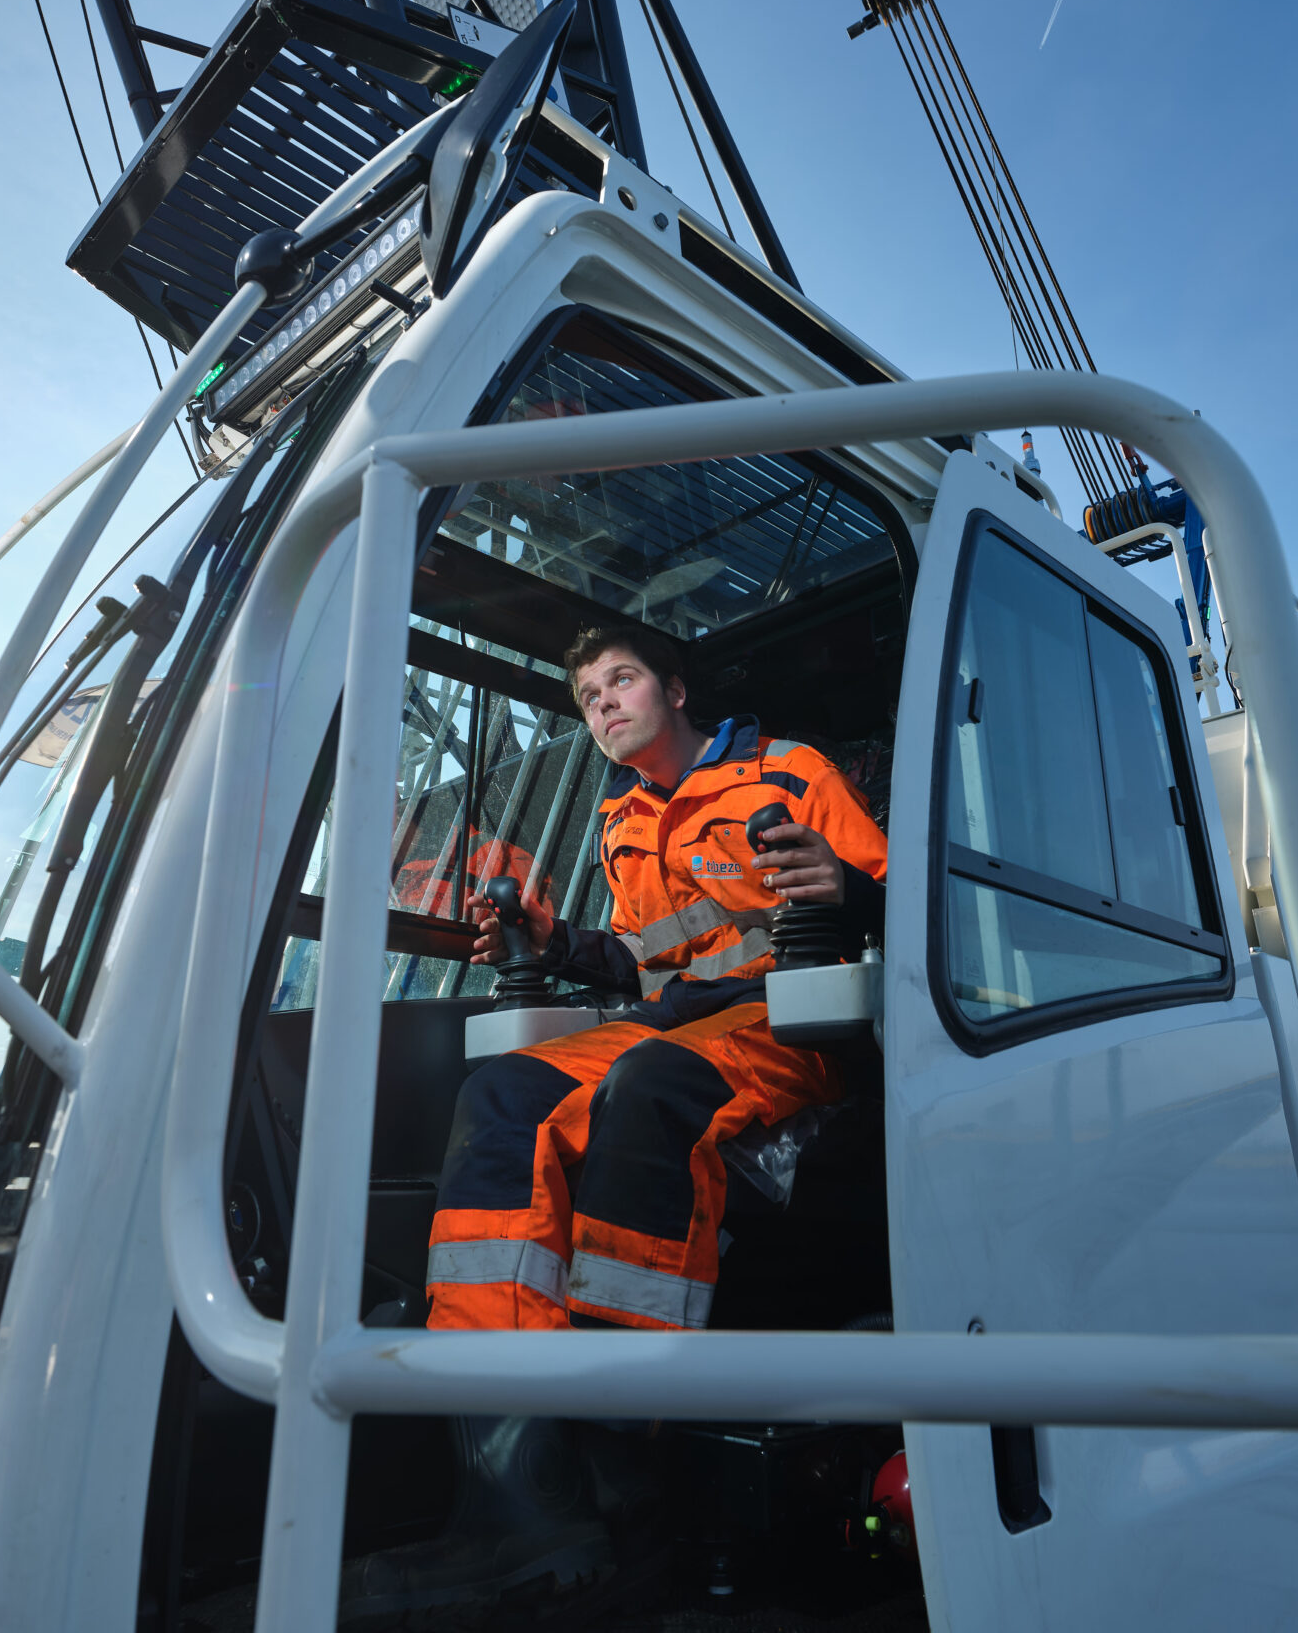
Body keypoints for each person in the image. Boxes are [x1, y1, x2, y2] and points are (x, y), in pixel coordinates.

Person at [339, 624, 888, 1618]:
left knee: (647, 1088)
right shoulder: (620, 821)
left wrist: (846, 890)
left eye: (620, 680)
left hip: (790, 1017)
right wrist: (554, 942)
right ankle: (512, 1463)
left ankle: (619, 1449)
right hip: (678, 1020)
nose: (603, 704)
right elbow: (645, 961)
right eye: (588, 696)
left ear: (674, 690)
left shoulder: (789, 771)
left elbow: (897, 904)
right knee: (502, 1095)